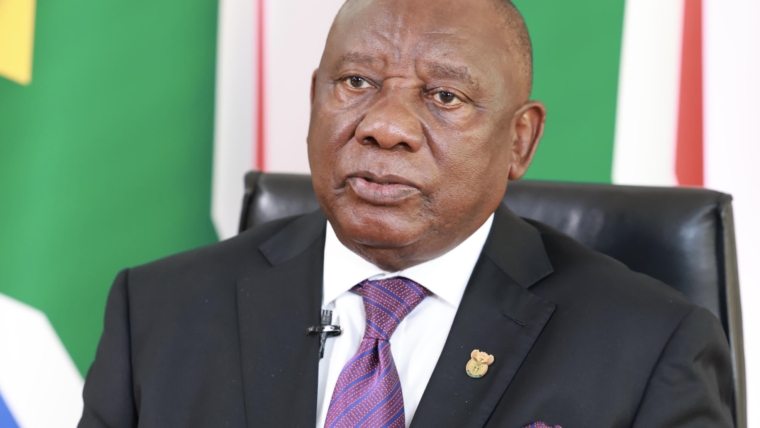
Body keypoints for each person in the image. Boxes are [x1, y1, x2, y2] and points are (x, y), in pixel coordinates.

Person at [78, 0, 734, 427]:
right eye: (356, 82)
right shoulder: (158, 311)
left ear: (520, 140)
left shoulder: (651, 349)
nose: (384, 126)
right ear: (314, 99)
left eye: (444, 96)